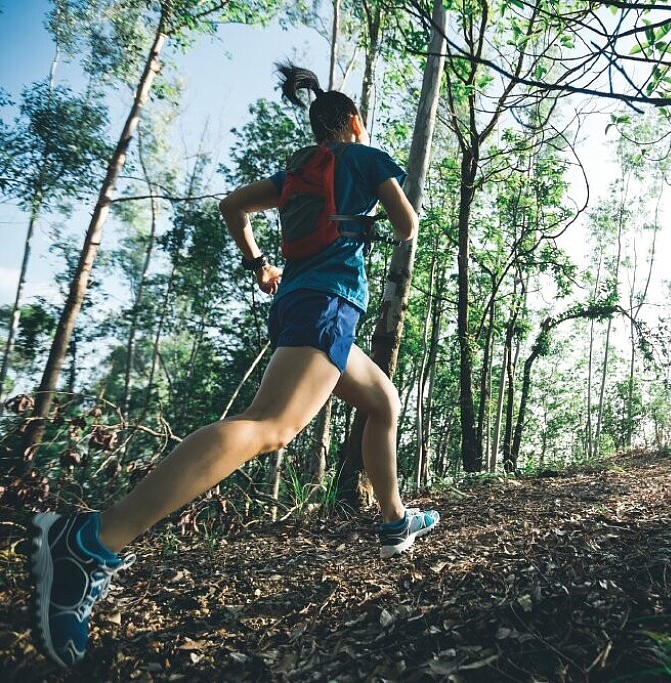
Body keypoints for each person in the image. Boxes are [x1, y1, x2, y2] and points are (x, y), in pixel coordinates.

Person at [28, 63, 439, 668]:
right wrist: (370, 215)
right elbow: (407, 225)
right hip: (328, 303)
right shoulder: (364, 156)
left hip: (301, 302)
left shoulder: (294, 173)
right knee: (271, 425)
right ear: (354, 122)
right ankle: (90, 540)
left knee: (383, 402)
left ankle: (395, 520)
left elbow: (232, 206)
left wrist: (260, 265)